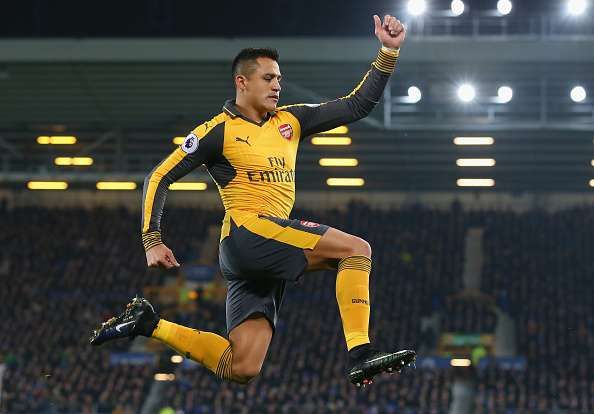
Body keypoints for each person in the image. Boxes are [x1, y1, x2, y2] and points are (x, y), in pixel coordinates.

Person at [90, 14, 415, 387]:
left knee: (242, 366)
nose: (278, 85)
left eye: (279, 78)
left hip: (259, 251)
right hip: (249, 233)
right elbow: (159, 176)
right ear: (241, 82)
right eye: (269, 78)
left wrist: (388, 52)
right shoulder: (217, 131)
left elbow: (356, 105)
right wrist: (152, 238)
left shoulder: (290, 121)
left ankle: (149, 323)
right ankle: (361, 352)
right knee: (356, 250)